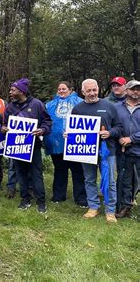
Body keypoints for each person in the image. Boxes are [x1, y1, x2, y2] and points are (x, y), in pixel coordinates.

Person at [71, 79, 123, 223]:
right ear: (83, 92)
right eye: (89, 91)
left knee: (110, 181)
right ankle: (93, 206)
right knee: (89, 179)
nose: (92, 93)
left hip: (108, 151)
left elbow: (119, 127)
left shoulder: (110, 106)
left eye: (94, 90)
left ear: (98, 89)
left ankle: (110, 210)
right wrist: (68, 135)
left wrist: (110, 133)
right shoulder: (77, 109)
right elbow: (73, 129)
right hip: (86, 151)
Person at [1, 78, 52, 213]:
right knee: (21, 174)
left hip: (33, 145)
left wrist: (42, 130)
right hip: (16, 146)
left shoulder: (37, 104)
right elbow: (4, 124)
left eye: (13, 90)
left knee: (36, 174)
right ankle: (25, 199)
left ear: (21, 91)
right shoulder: (10, 107)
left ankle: (41, 202)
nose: (10, 92)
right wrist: (4, 129)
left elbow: (47, 122)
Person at [44, 81, 87, 207]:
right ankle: (58, 195)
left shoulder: (80, 103)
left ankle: (80, 198)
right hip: (57, 143)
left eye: (64, 89)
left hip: (75, 143)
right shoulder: (50, 105)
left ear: (70, 90)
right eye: (59, 89)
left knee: (77, 170)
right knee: (60, 170)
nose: (61, 91)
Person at [114, 80, 140, 218]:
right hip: (124, 152)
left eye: (138, 89)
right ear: (126, 90)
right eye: (133, 89)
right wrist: (119, 137)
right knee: (125, 180)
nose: (136, 91)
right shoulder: (117, 107)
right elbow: (114, 125)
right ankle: (125, 206)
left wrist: (131, 139)